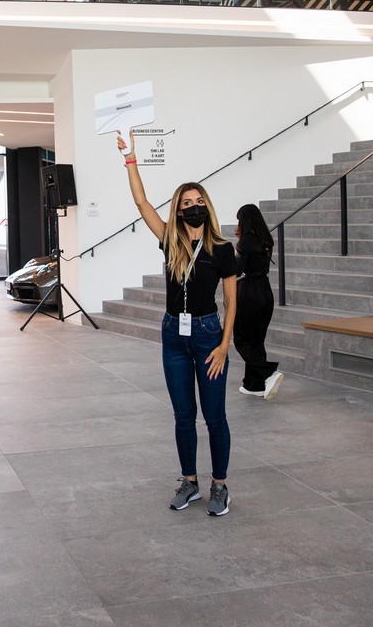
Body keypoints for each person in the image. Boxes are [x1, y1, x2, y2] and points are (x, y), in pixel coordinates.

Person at [119, 131, 237, 517]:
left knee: (214, 416)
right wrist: (130, 159)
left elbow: (232, 301)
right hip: (173, 335)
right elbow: (140, 201)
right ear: (178, 210)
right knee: (184, 417)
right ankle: (190, 481)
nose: (194, 206)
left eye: (199, 201)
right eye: (187, 203)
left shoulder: (222, 248)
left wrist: (224, 345)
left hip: (208, 337)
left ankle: (220, 486)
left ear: (207, 206)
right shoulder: (170, 239)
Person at [233, 204, 284, 400]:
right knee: (256, 341)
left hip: (249, 294)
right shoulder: (266, 240)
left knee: (241, 339)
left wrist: (237, 246)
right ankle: (253, 385)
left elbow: (237, 271)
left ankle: (268, 372)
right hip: (265, 292)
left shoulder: (246, 242)